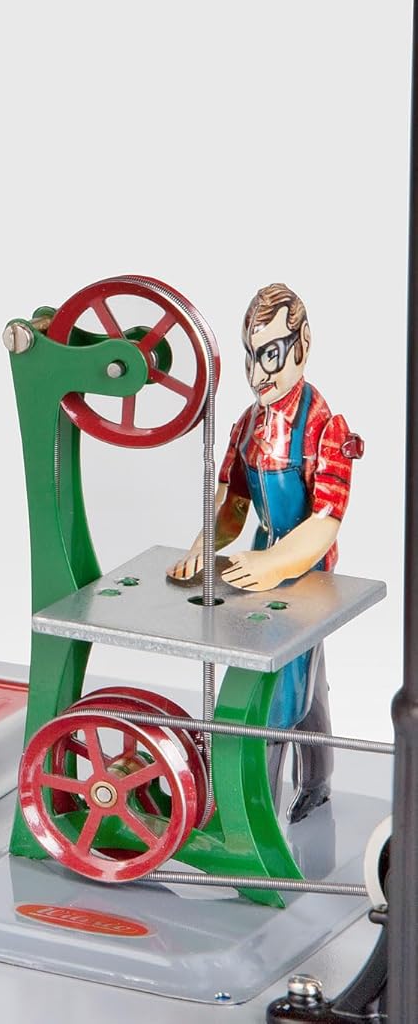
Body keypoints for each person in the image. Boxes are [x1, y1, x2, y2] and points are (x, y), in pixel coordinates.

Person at [169, 283, 362, 822]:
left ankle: (258, 818)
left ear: (304, 342)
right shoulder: (249, 423)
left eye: (272, 354)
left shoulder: (325, 428)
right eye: (251, 357)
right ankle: (318, 781)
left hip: (309, 577)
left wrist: (274, 563)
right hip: (260, 564)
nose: (259, 374)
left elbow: (324, 523)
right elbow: (232, 502)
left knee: (276, 697)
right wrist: (203, 548)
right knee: (306, 682)